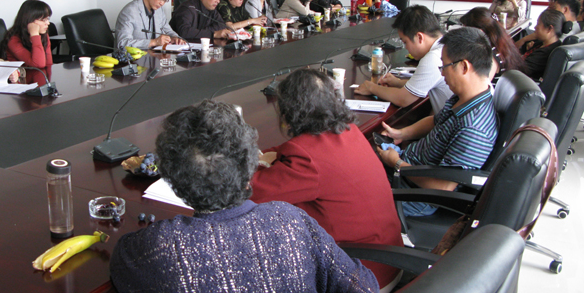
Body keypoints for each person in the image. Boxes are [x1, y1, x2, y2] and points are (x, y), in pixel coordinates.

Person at [110, 100, 380, 293]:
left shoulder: (160, 246)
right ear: (250, 163)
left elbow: (122, 263)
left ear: (173, 179)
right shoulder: (291, 220)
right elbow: (364, 286)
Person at [250, 69, 403, 291]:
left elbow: (254, 191)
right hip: (390, 258)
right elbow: (290, 151)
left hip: (362, 275)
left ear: (289, 113)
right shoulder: (348, 130)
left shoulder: (307, 158)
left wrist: (253, 162)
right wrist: (265, 156)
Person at [376, 27, 498, 216]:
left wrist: (397, 163)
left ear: (464, 67)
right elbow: (436, 121)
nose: (442, 74)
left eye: (444, 66)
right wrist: (400, 133)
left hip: (415, 194)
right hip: (407, 168)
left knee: (345, 191)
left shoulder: (473, 128)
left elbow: (442, 187)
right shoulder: (466, 97)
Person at [355, 5, 453, 114]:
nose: (406, 48)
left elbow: (403, 99)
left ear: (420, 37)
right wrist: (397, 82)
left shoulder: (433, 58)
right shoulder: (447, 43)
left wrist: (371, 87)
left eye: (405, 42)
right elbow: (423, 83)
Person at [115, 0, 184, 49]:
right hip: (135, 55)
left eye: (165, 0)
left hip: (155, 54)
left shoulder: (159, 10)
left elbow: (167, 30)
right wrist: (154, 42)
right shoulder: (129, 12)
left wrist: (175, 38)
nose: (162, 3)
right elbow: (122, 43)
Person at [0, 0, 53, 86]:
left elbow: (48, 64)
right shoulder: (13, 40)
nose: (48, 23)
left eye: (48, 19)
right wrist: (34, 35)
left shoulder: (43, 36)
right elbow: (39, 64)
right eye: (43, 20)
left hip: (38, 78)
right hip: (19, 83)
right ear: (30, 21)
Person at [459, 7, 526, 79]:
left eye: (465, 30)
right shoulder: (500, 42)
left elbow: (482, 83)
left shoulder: (491, 55)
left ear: (479, 31)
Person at [520, 9, 568, 80]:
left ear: (549, 29)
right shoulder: (541, 44)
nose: (535, 27)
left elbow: (518, 69)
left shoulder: (545, 53)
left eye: (538, 24)